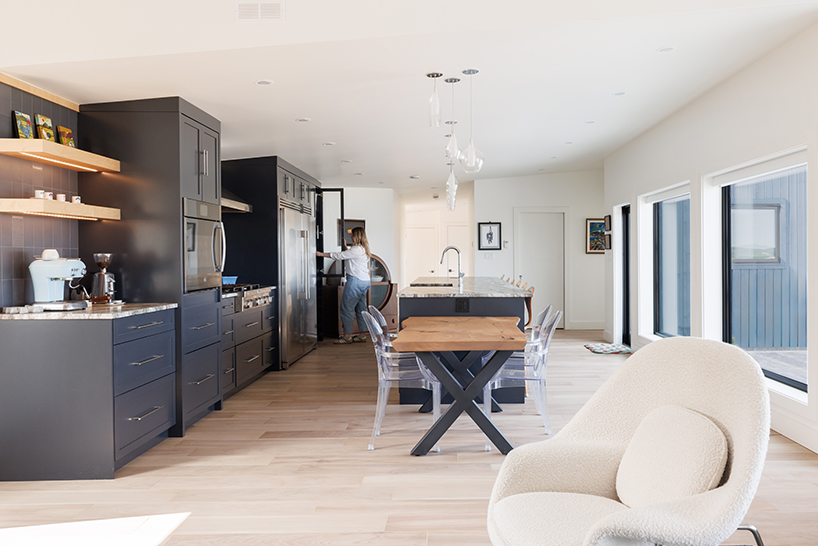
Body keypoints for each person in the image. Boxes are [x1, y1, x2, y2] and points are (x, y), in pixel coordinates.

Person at [317, 226, 371, 344]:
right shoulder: (363, 249)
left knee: (346, 308)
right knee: (361, 309)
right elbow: (349, 255)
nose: (351, 236)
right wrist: (346, 247)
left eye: (352, 235)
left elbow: (339, 256)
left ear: (357, 236)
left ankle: (347, 336)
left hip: (355, 281)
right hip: (365, 281)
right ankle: (362, 335)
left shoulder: (356, 249)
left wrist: (321, 254)